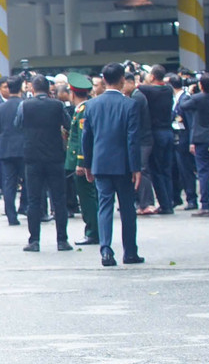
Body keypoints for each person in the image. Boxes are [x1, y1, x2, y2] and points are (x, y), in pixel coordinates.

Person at [81, 62, 143, 267]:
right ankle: (130, 252)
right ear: (123, 80)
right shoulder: (130, 105)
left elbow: (86, 139)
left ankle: (106, 250)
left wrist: (88, 165)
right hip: (123, 165)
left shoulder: (91, 105)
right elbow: (132, 140)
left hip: (100, 164)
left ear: (104, 81)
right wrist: (136, 168)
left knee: (104, 207)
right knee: (127, 209)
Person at [16, 75, 70, 252]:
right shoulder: (57, 105)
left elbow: (18, 124)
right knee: (59, 199)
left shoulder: (25, 105)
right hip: (54, 156)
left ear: (32, 89)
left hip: (32, 157)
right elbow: (67, 123)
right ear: (49, 89)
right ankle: (62, 240)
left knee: (34, 201)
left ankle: (34, 240)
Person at [180, 74, 209, 216]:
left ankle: (205, 205)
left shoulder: (197, 98)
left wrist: (189, 93)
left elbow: (183, 106)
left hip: (200, 138)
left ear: (201, 85)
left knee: (203, 172)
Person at [64, 74, 99, 245]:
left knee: (87, 198)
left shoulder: (83, 110)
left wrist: (80, 162)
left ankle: (93, 231)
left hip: (83, 163)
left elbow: (83, 140)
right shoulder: (87, 107)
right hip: (87, 162)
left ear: (73, 93)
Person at [140, 65, 176, 214]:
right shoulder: (168, 89)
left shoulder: (149, 90)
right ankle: (169, 201)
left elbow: (139, 87)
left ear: (153, 76)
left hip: (156, 133)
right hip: (169, 132)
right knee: (166, 169)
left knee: (156, 170)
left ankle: (165, 204)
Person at [0, 75, 25, 227]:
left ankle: (12, 216)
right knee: (28, 182)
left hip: (5, 149)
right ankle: (27, 209)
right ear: (21, 88)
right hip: (24, 149)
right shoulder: (25, 104)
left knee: (8, 184)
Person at [123, 71, 156, 215]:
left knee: (142, 170)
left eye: (124, 84)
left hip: (143, 140)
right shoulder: (135, 96)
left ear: (131, 82)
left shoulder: (136, 98)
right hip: (141, 140)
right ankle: (141, 202)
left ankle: (146, 203)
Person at [169, 75, 199, 210]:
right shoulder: (174, 99)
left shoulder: (185, 99)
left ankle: (192, 198)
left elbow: (191, 122)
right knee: (176, 169)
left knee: (186, 170)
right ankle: (176, 197)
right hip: (176, 136)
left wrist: (192, 141)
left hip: (184, 138)